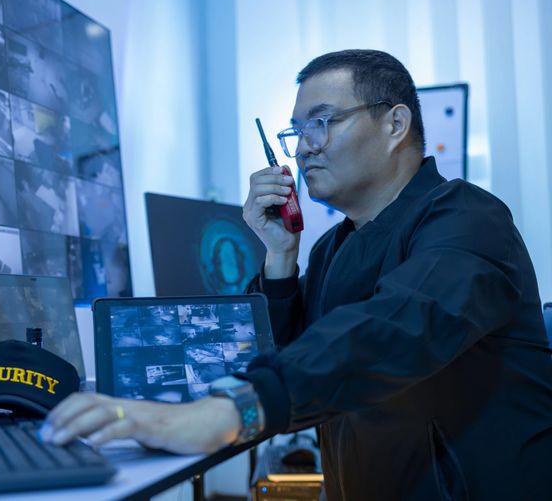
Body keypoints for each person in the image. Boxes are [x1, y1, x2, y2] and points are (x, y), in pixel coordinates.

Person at [41, 50, 552, 500]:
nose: (304, 147)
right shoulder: (336, 245)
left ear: (395, 125)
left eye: (322, 122)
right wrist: (280, 258)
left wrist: (229, 411)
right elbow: (284, 356)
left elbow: (397, 325)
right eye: (297, 132)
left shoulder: (468, 219)